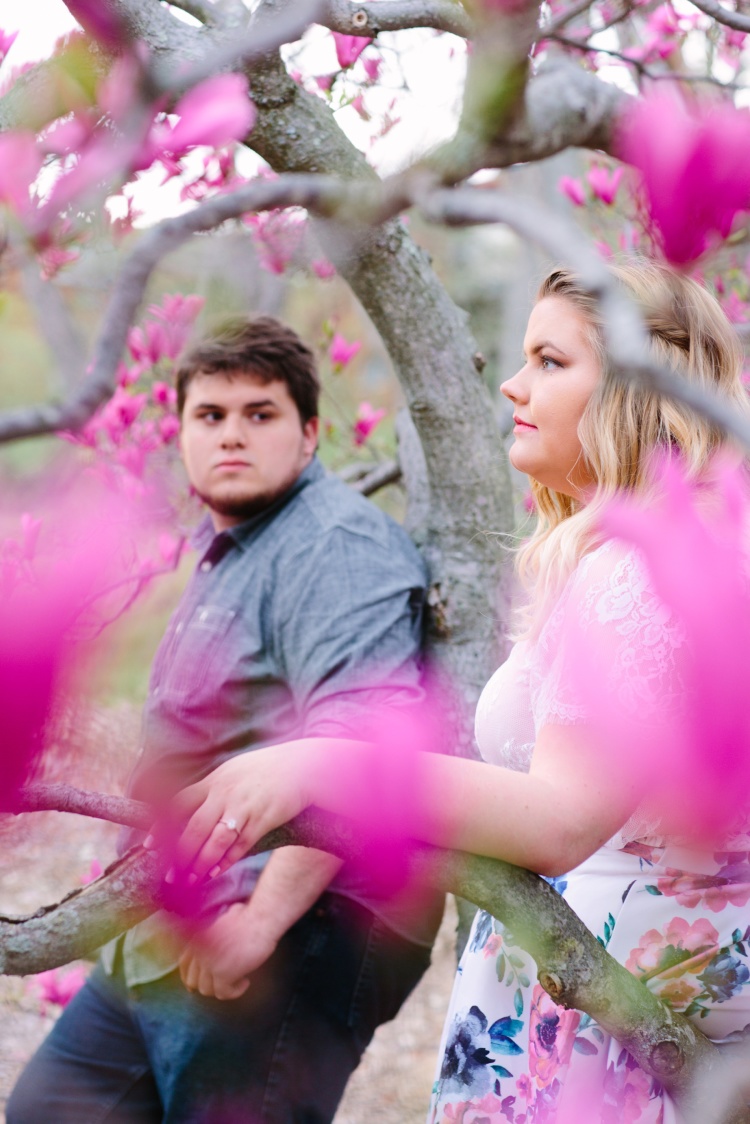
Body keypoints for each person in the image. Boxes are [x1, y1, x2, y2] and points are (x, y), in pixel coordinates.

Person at [167, 261, 750, 1123]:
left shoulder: (640, 565)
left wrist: (326, 765)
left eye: (551, 361)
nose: (515, 384)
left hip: (608, 1038)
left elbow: (558, 818)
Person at [8, 316, 443, 1123]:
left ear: (310, 434)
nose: (232, 435)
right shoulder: (236, 548)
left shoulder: (333, 547)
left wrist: (262, 922)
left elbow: (357, 746)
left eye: (260, 413)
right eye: (211, 416)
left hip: (286, 931)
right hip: (167, 931)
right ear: (180, 436)